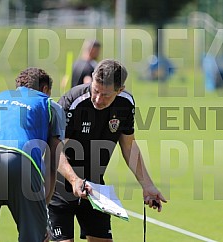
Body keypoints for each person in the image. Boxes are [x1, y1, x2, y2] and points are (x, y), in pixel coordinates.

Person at [49, 59, 167, 241]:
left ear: (120, 90)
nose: (97, 99)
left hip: (95, 188)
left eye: (105, 95)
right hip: (59, 187)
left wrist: (148, 185)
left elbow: (129, 145)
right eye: (95, 90)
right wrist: (74, 180)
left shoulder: (126, 104)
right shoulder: (73, 101)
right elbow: (56, 149)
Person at [0, 67, 66, 242]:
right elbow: (52, 162)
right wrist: (43, 208)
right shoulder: (49, 104)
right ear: (45, 89)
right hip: (20, 161)